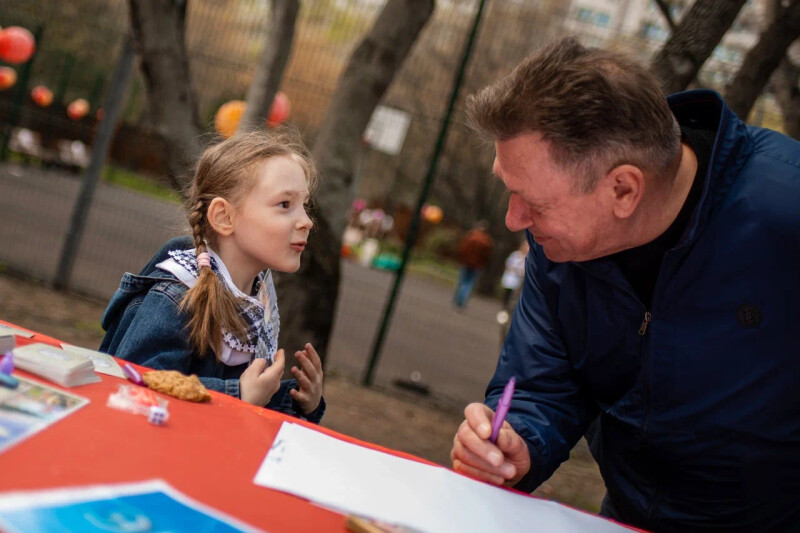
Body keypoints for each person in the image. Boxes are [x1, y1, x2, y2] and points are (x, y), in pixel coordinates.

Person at [450, 37, 800, 532]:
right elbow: (541, 384)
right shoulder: (558, 248)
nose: (513, 220)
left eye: (533, 202)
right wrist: (515, 443)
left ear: (623, 189)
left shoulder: (785, 211)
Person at [100, 130, 325, 423]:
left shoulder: (256, 298)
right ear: (224, 217)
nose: (306, 221)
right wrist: (237, 394)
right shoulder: (178, 294)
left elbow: (242, 412)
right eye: (285, 205)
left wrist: (301, 402)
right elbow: (136, 384)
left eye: (304, 205)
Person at [453, 221, 494, 308]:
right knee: (469, 283)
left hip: (466, 262)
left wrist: (461, 259)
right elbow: (487, 255)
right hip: (476, 265)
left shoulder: (470, 236)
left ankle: (458, 299)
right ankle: (462, 301)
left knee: (462, 281)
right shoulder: (487, 241)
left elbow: (462, 248)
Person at [499, 240, 528, 309]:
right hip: (510, 277)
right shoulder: (515, 254)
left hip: (519, 280)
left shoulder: (528, 258)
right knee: (507, 293)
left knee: (514, 295)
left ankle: (510, 307)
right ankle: (505, 306)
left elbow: (524, 270)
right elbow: (508, 264)